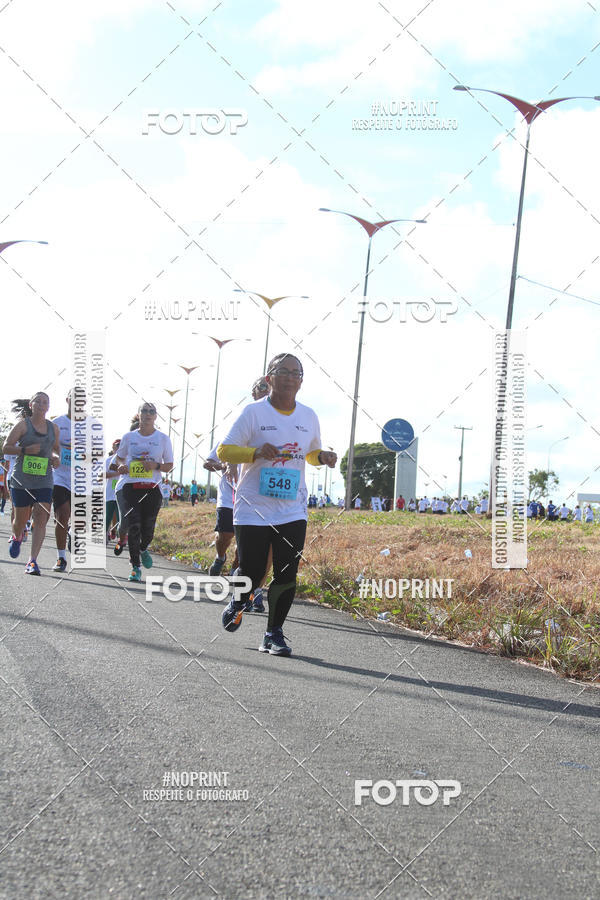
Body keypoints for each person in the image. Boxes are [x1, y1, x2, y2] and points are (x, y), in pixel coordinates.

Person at [216, 353, 336, 656]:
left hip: (292, 507)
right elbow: (224, 451)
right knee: (254, 571)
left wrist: (322, 457)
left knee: (287, 571)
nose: (291, 377)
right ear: (270, 378)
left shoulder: (309, 416)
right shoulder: (253, 413)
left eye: (297, 373)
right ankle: (240, 600)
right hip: (252, 505)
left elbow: (311, 453)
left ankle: (273, 633)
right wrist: (255, 452)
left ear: (301, 382)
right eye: (284, 371)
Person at [113, 402, 173, 582]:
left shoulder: (163, 439)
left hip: (152, 489)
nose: (147, 414)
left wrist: (155, 465)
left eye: (151, 411)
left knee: (147, 529)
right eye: (144, 411)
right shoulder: (129, 437)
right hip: (131, 487)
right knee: (134, 526)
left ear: (155, 416)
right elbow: (118, 460)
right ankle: (135, 567)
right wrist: (121, 467)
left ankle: (143, 548)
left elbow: (169, 466)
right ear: (138, 415)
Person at [3, 393, 60, 574]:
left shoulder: (53, 428)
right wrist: (24, 449)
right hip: (22, 479)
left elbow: (56, 449)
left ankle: (32, 561)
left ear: (48, 407)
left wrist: (56, 458)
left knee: (41, 519)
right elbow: (6, 447)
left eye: (46, 402)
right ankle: (17, 535)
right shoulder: (23, 425)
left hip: (44, 479)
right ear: (31, 404)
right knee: (20, 521)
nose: (42, 404)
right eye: (38, 401)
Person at [105, 438, 121, 543]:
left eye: (121, 446)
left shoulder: (126, 460)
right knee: (108, 516)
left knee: (120, 516)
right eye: (117, 446)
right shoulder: (108, 460)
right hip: (110, 492)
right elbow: (104, 474)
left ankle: (120, 537)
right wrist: (118, 473)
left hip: (121, 492)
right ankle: (105, 534)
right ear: (113, 448)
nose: (119, 448)